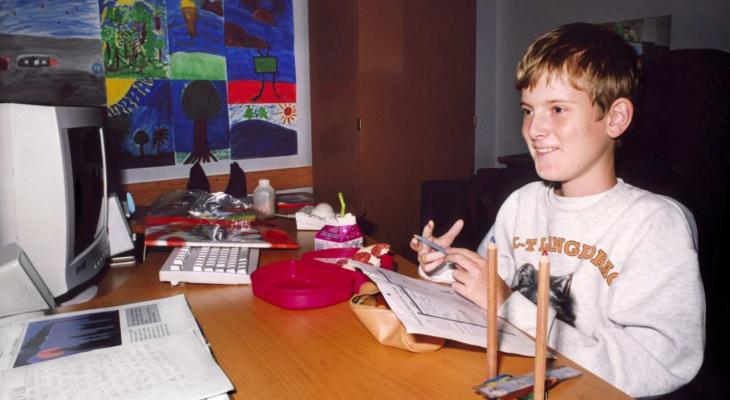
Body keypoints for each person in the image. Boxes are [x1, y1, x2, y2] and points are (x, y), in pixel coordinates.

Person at [410, 22, 705, 398]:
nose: (534, 129)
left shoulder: (655, 224)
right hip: (521, 375)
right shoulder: (523, 202)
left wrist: (508, 305)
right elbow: (486, 290)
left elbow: (659, 364)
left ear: (615, 118)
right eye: (528, 110)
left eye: (558, 109)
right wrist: (443, 266)